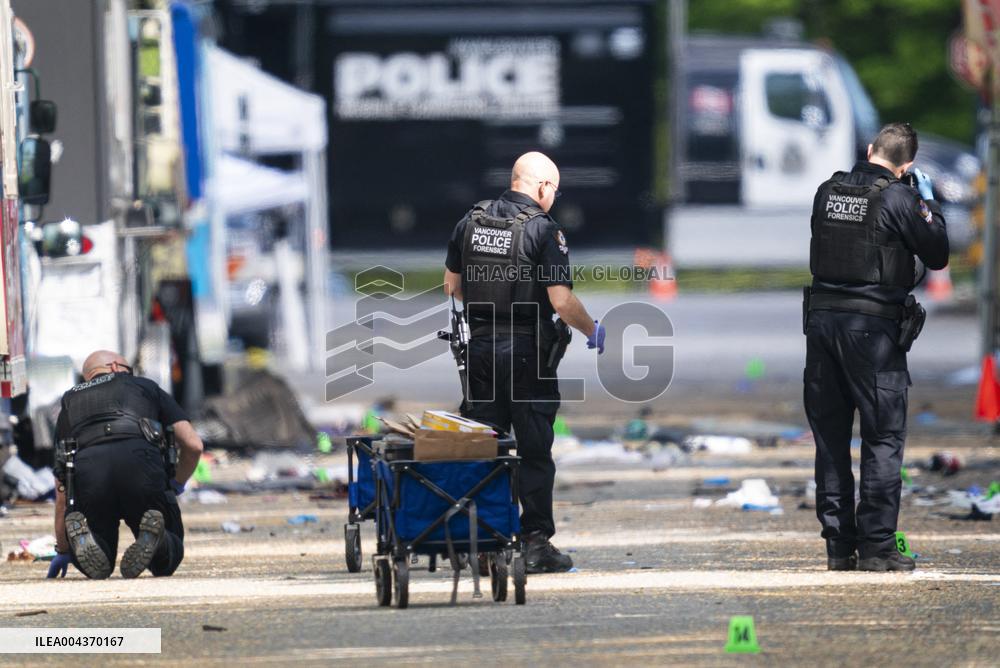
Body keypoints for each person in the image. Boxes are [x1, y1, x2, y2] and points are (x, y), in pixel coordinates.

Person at [444, 151, 605, 573]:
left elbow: (452, 286)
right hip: (527, 353)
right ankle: (534, 544)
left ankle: (484, 544)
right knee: (533, 450)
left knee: (484, 448)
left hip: (478, 352)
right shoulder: (542, 230)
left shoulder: (471, 221)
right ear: (542, 187)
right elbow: (561, 300)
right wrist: (592, 330)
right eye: (554, 189)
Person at [804, 123, 948, 572]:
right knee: (883, 437)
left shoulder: (828, 191)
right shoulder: (900, 197)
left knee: (830, 439)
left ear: (869, 150)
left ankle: (837, 548)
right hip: (873, 332)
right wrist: (927, 203)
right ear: (907, 166)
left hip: (823, 325)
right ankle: (877, 548)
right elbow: (938, 252)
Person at [46, 350, 204, 579]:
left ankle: (87, 542)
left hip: (90, 473)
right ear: (115, 367)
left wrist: (63, 548)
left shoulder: (70, 400)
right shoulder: (146, 387)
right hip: (140, 466)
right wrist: (177, 483)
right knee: (167, 559)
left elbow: (61, 487)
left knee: (100, 552)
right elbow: (193, 445)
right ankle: (159, 543)